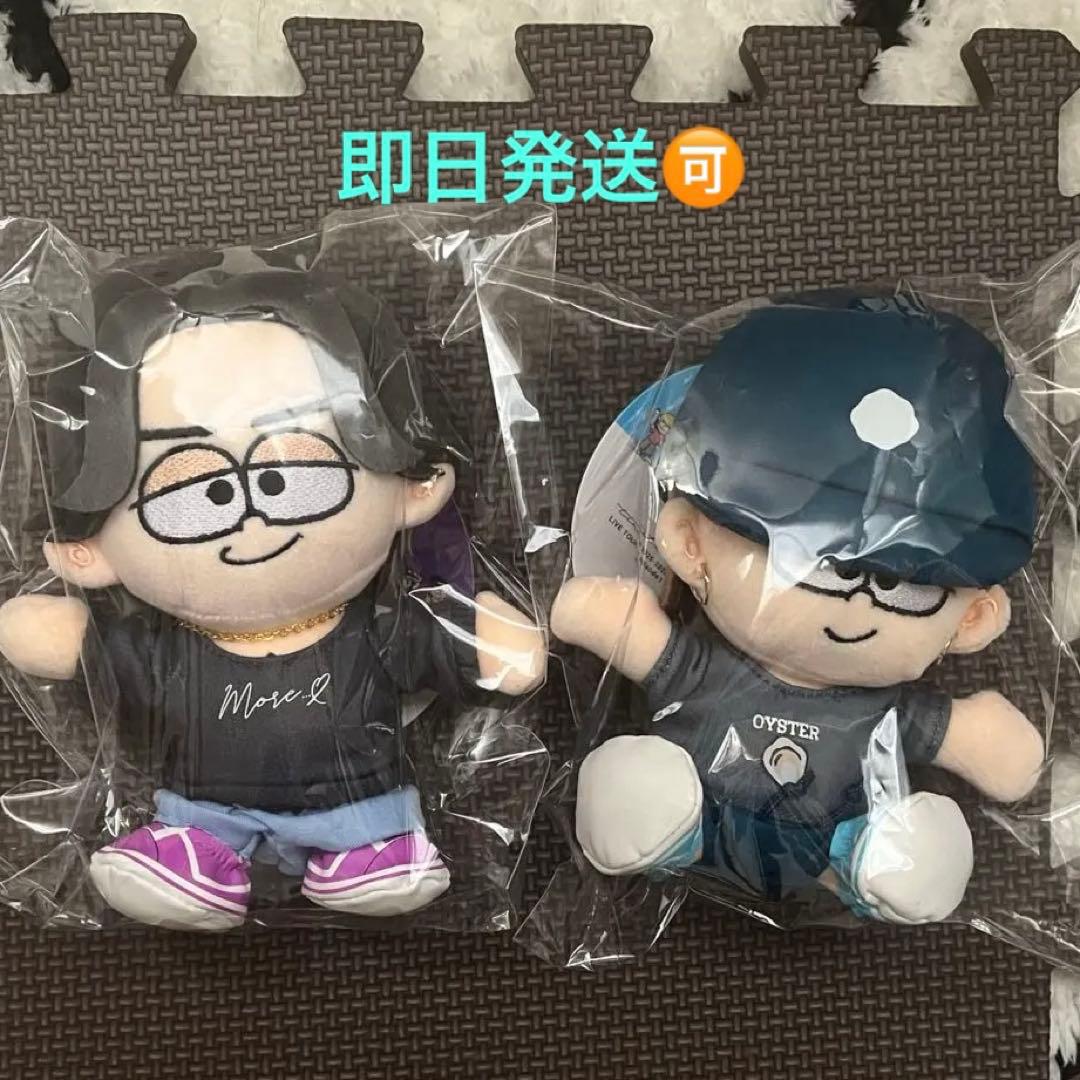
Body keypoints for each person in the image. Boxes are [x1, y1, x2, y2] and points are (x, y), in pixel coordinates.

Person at [0, 268, 546, 930]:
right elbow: (109, 655)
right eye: (190, 492)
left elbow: (439, 641)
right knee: (190, 838)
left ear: (412, 488)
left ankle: (371, 850)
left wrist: (484, 638)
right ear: (89, 550)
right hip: (201, 809)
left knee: (375, 838)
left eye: (296, 476)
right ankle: (194, 859)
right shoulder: (171, 648)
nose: (250, 510)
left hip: (363, 804)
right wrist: (69, 636)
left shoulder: (374, 627)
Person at [552, 293, 1044, 924]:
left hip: (838, 852)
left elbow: (952, 735)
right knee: (641, 791)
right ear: (690, 545)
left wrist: (977, 736)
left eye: (901, 586)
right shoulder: (714, 671)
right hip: (690, 820)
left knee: (903, 856)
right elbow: (661, 651)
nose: (857, 599)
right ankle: (653, 813)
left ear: (972, 619)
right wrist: (616, 621)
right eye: (817, 562)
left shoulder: (883, 710)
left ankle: (884, 862)